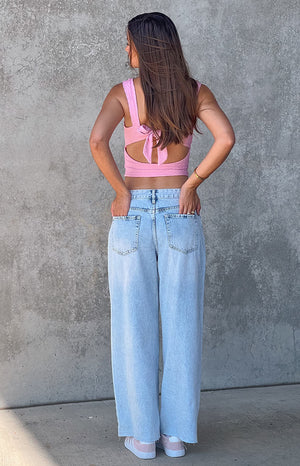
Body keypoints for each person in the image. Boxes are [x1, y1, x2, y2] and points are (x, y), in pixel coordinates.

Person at [89, 12, 235, 460]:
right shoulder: (195, 93)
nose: (125, 50)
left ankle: (144, 437)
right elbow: (225, 137)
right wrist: (191, 184)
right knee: (181, 324)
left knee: (132, 326)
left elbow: (97, 142)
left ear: (145, 47)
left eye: (128, 42)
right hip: (180, 212)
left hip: (132, 212)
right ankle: (175, 437)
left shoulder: (123, 94)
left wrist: (119, 191)